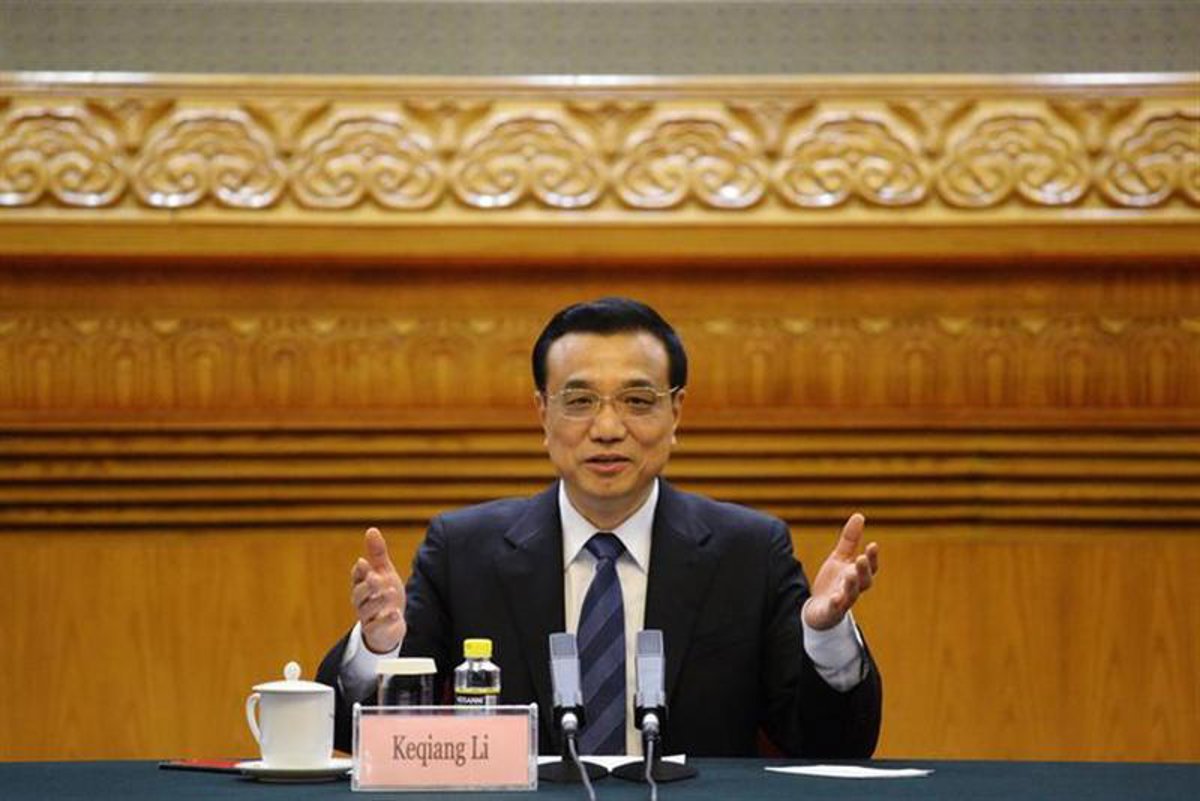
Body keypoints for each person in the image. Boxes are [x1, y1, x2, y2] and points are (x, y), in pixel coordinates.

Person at [316, 297, 882, 758]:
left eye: (637, 400)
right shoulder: (464, 552)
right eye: (580, 400)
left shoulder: (748, 553)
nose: (608, 428)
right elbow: (354, 736)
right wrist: (379, 647)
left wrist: (827, 638)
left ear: (677, 413)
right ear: (542, 413)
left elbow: (833, 746)